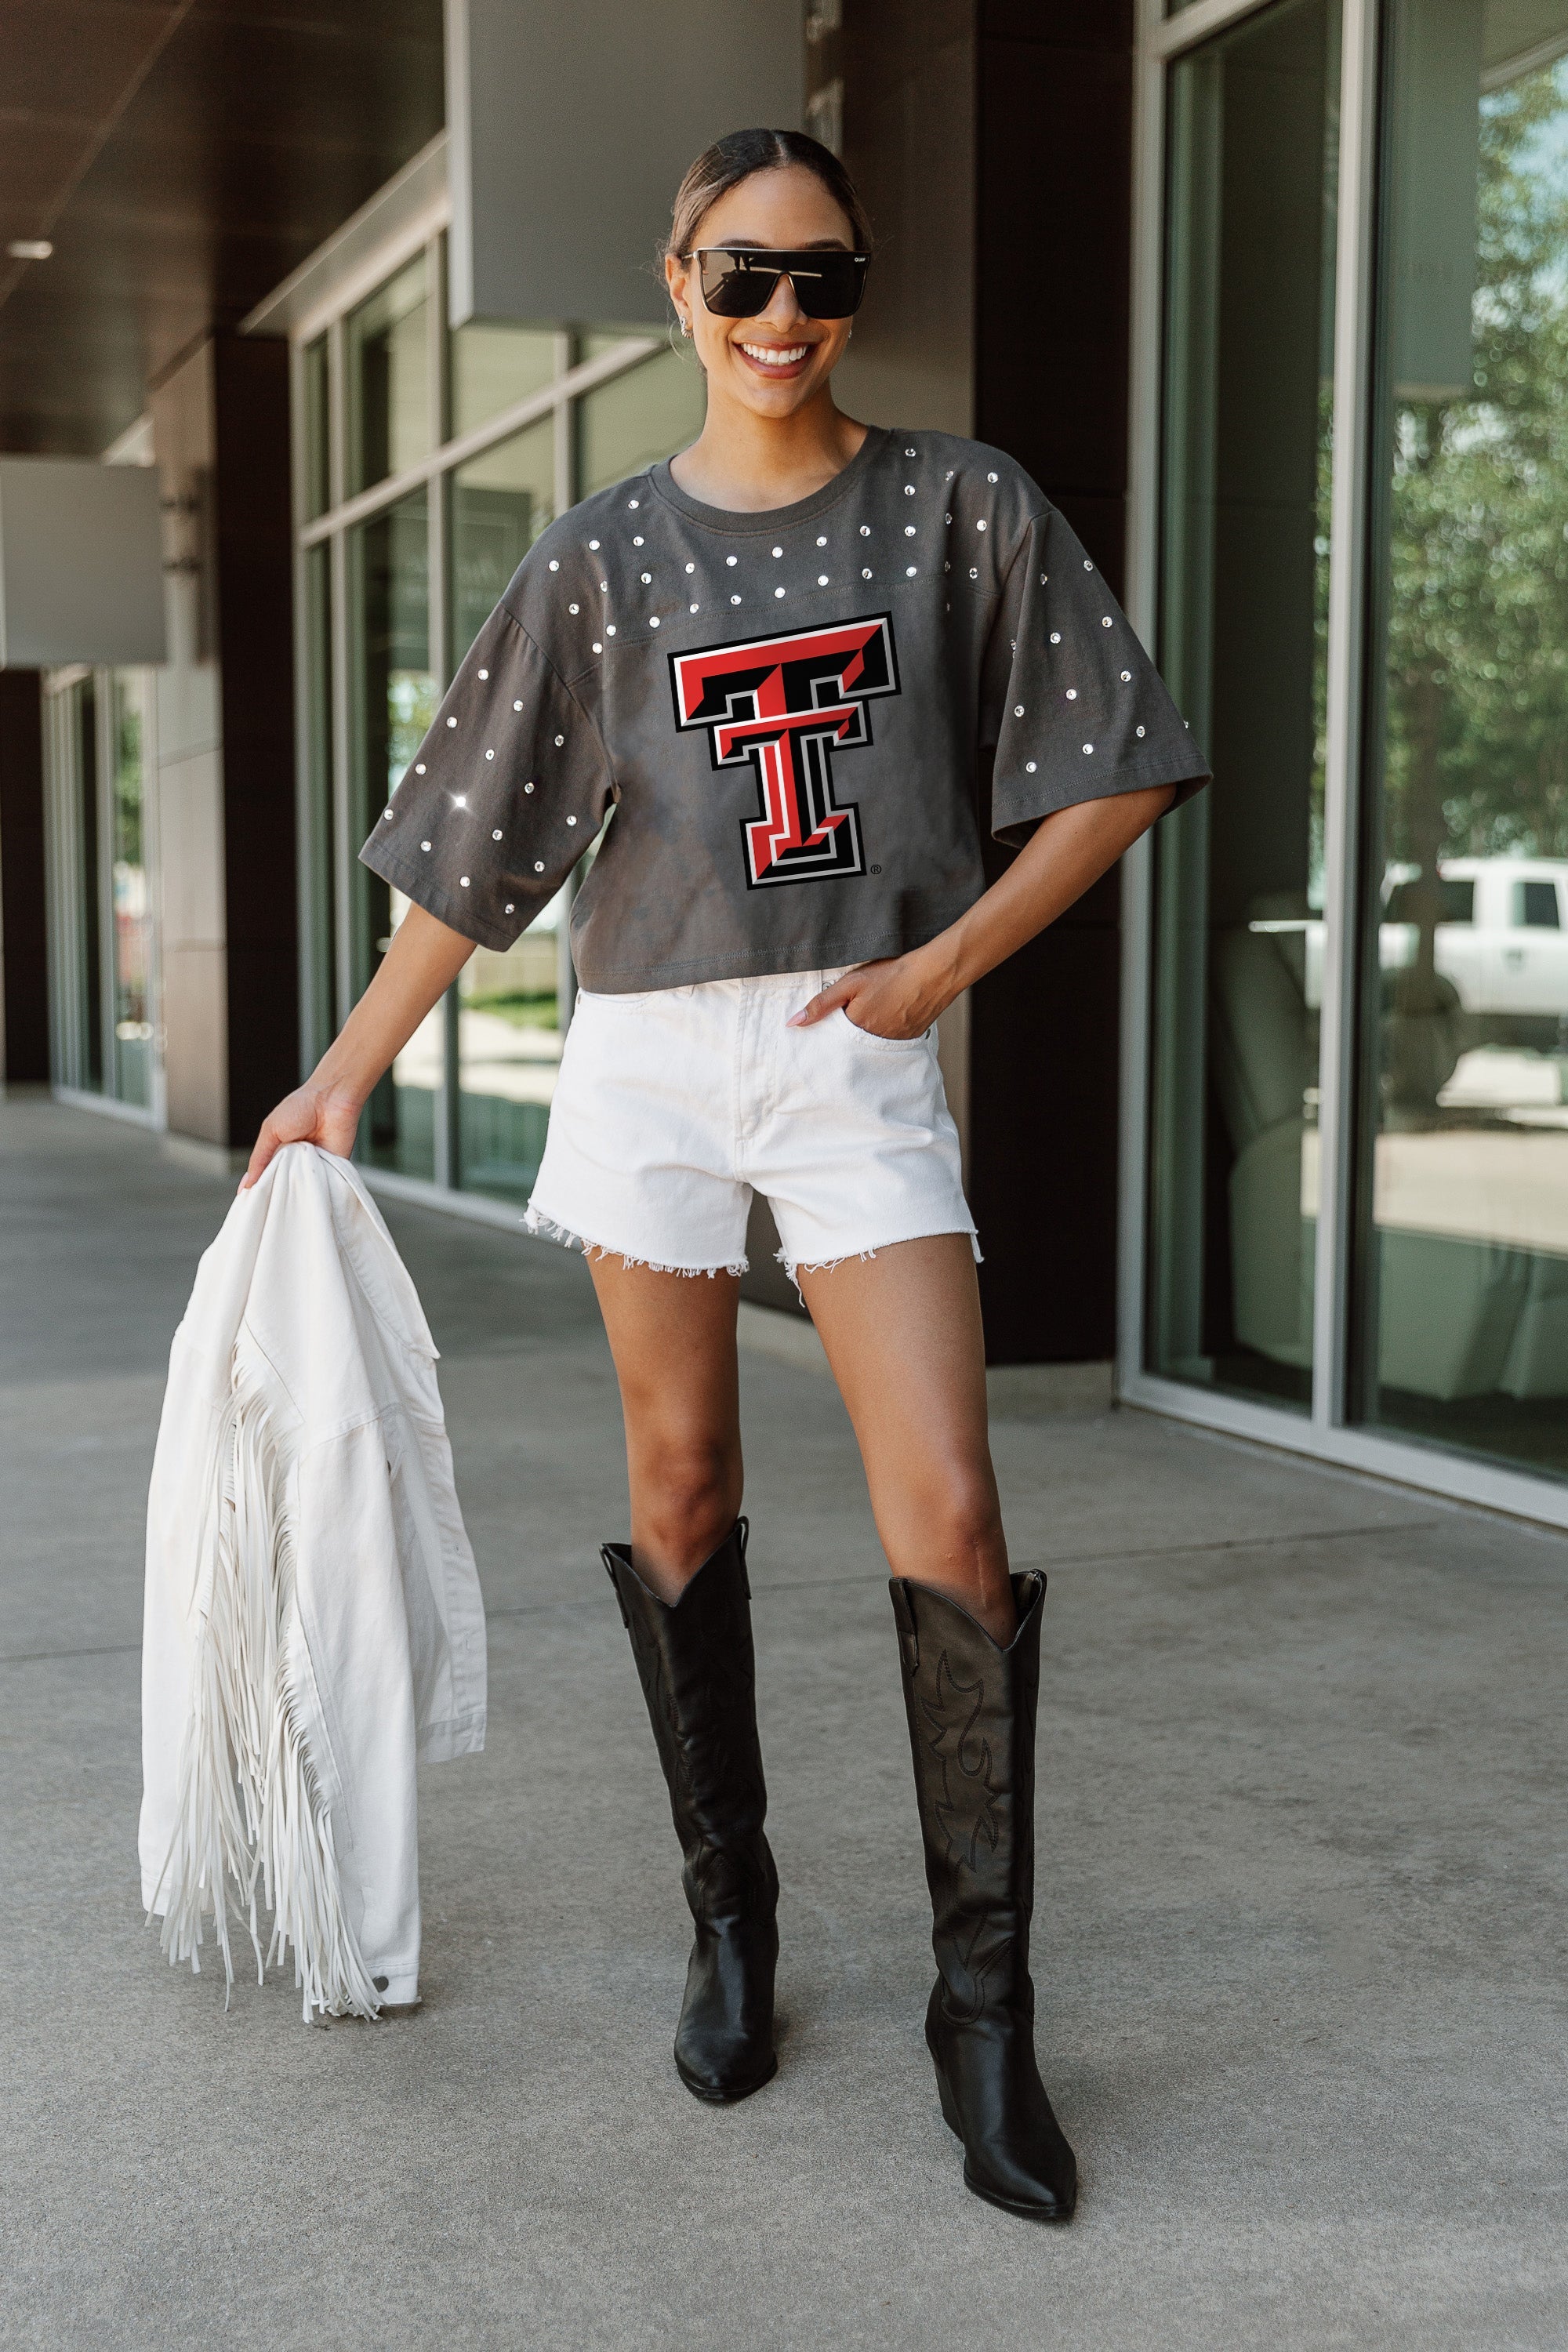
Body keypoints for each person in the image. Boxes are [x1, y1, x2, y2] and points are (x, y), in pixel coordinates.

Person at [243, 126, 1208, 2223]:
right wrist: (337, 1076)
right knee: (681, 1487)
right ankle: (734, 1925)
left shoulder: (963, 505)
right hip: (654, 1060)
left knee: (951, 1501)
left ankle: (984, 2016)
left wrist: (948, 961)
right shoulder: (598, 557)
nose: (788, 319)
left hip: (859, 1051)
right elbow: (475, 864)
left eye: (825, 278)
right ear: (677, 285)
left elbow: (1118, 764)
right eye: (746, 278)